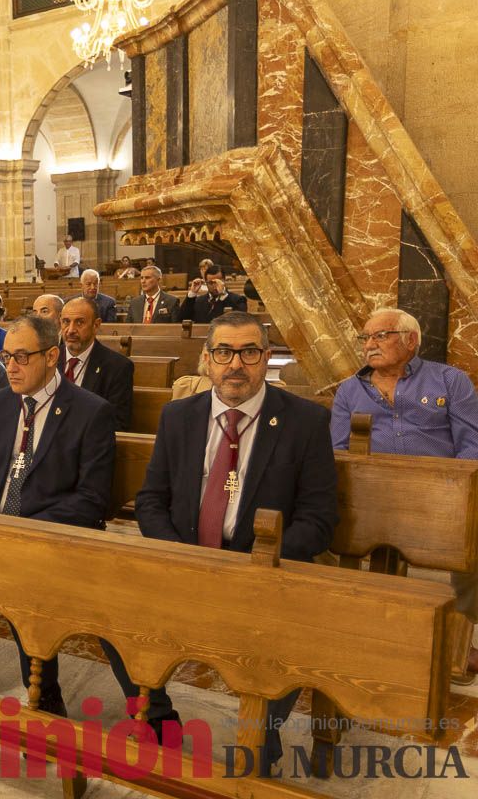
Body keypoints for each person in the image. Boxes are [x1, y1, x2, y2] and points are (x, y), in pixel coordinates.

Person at [112, 311, 338, 773]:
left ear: (266, 358)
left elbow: (318, 520)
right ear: (207, 361)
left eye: (249, 352)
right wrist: (180, 555)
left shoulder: (305, 422)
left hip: (261, 575)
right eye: (224, 352)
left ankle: (262, 741)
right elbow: (151, 499)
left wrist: (258, 565)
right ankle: (157, 719)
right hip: (185, 562)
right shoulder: (179, 416)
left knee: (288, 639)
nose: (236, 364)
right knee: (112, 616)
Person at [0, 314, 115, 708]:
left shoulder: (89, 411)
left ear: (52, 356)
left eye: (22, 357)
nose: (10, 366)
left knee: (30, 598)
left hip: (49, 536)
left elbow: (91, 499)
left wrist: (24, 532)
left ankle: (45, 693)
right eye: (6, 356)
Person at [331, 307, 478, 677]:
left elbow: (471, 443)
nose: (370, 345)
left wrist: (457, 497)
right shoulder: (350, 390)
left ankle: (459, 637)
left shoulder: (449, 380)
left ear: (411, 340)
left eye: (381, 335)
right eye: (365, 337)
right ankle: (373, 633)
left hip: (442, 493)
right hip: (373, 497)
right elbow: (338, 448)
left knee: (474, 543)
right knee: (317, 533)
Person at [58, 297, 135, 431]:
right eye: (66, 322)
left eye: (79, 322)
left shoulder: (117, 367)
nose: (70, 330)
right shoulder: (47, 359)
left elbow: (116, 423)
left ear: (96, 325)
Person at [180, 276, 247, 322]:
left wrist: (223, 295)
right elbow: (181, 319)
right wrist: (192, 293)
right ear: (206, 283)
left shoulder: (238, 300)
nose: (215, 286)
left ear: (224, 281)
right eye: (211, 283)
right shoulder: (199, 301)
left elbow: (241, 322)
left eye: (218, 282)